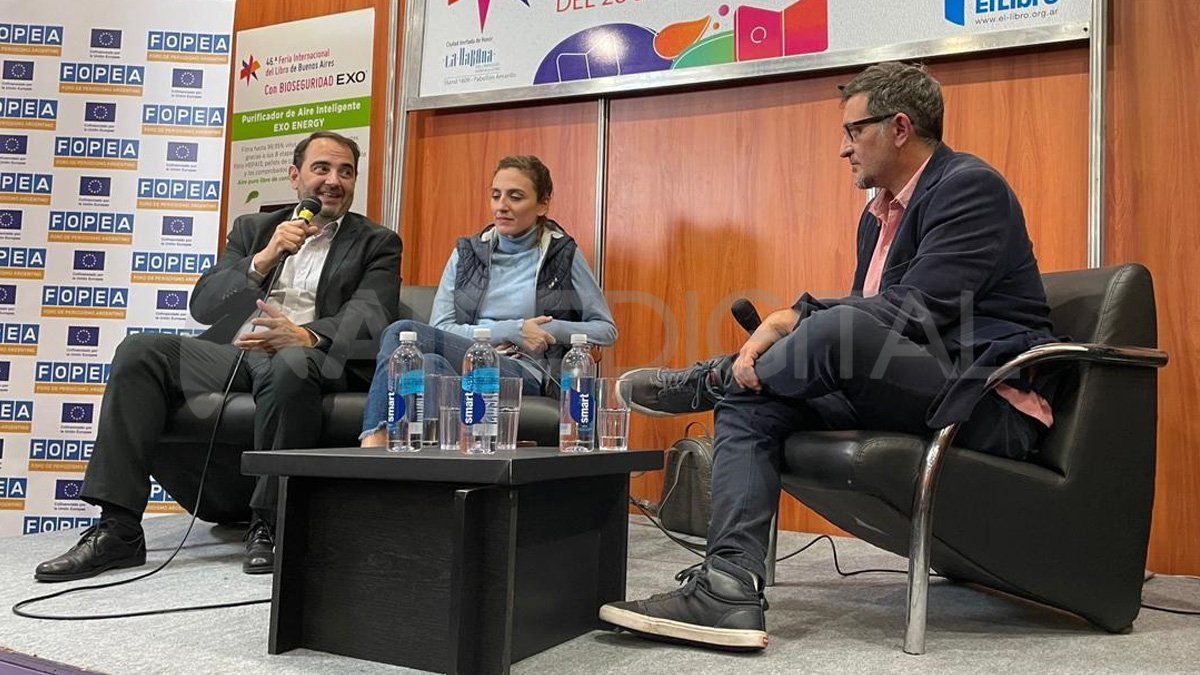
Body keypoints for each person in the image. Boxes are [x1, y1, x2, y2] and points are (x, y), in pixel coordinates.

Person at [599, 62, 1057, 650]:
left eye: (852, 131)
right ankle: (728, 588)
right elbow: (877, 328)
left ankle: (708, 381)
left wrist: (797, 315)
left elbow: (913, 311)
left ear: (898, 127)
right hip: (916, 383)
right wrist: (799, 328)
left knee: (829, 332)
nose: (843, 149)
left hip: (987, 400)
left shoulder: (969, 187)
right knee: (756, 401)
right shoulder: (879, 214)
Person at [35, 131, 402, 582]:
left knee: (290, 365)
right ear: (295, 176)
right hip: (235, 354)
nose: (334, 181)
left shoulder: (377, 242)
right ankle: (119, 528)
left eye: (346, 172)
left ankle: (269, 522)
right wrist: (263, 259)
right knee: (139, 352)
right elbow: (204, 304)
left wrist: (304, 334)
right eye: (321, 169)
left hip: (303, 352)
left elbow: (371, 315)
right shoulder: (254, 230)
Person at [360, 155, 616, 447]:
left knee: (400, 331)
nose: (501, 206)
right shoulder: (466, 253)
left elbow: (606, 330)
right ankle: (427, 477)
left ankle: (373, 447)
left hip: (521, 372)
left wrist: (548, 331)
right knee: (428, 362)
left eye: (515, 197)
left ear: (543, 204)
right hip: (465, 358)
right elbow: (441, 327)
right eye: (496, 196)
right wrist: (514, 329)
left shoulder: (563, 254)